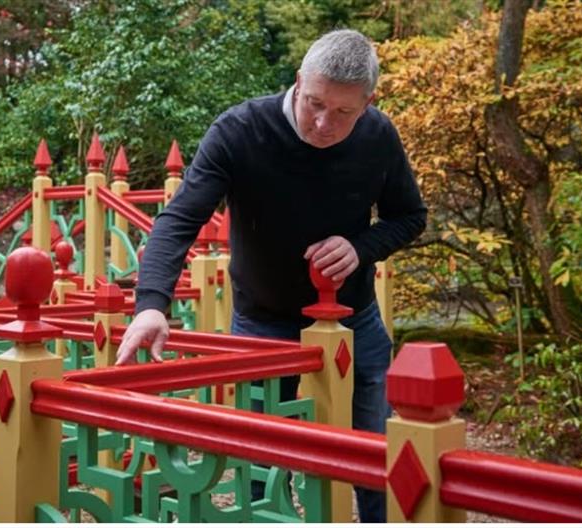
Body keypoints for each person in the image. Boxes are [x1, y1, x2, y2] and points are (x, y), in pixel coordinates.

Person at [114, 29, 426, 523]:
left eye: (343, 112)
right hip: (263, 321)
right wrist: (152, 303)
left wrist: (360, 247)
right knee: (260, 460)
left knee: (375, 453)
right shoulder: (240, 131)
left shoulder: (378, 135)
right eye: (315, 103)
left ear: (368, 104)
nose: (323, 123)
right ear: (299, 80)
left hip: (354, 320)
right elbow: (179, 219)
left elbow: (409, 216)